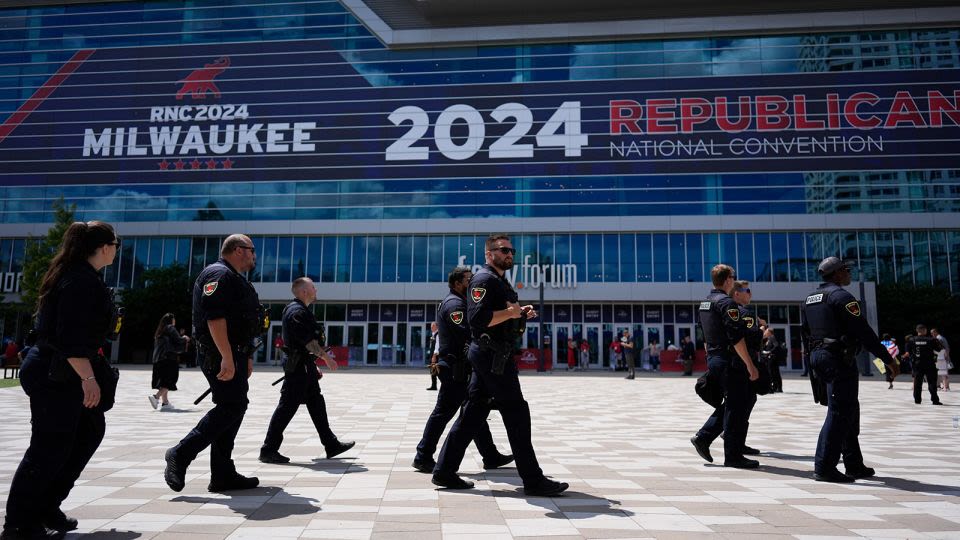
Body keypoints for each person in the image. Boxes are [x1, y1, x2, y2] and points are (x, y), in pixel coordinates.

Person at [3, 221, 121, 539]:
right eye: (116, 244)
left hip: (62, 371)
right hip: (55, 373)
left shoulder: (83, 276)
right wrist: (89, 379)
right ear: (104, 247)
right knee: (48, 447)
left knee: (89, 430)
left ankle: (46, 505)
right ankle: (18, 523)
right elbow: (70, 338)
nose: (117, 250)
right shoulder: (79, 281)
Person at [432, 234, 568, 496]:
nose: (509, 254)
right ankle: (533, 480)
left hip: (492, 355)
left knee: (473, 413)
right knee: (517, 412)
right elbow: (477, 320)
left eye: (511, 250)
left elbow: (501, 317)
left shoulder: (497, 281)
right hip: (491, 356)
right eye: (503, 250)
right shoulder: (483, 279)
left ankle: (444, 471)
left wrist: (519, 313)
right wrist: (511, 313)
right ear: (489, 254)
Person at [164, 234, 262, 494]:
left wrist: (246, 356)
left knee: (233, 406)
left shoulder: (234, 278)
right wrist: (228, 357)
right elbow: (215, 319)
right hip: (219, 354)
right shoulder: (218, 275)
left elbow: (242, 322)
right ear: (239, 250)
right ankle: (180, 453)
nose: (255, 256)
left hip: (233, 353)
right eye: (252, 250)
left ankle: (222, 474)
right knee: (232, 406)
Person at [801, 256, 895, 483]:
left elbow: (805, 332)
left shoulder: (810, 299)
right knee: (840, 411)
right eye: (846, 270)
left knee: (848, 410)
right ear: (836, 273)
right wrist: (887, 360)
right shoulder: (841, 296)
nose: (849, 274)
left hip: (820, 357)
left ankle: (853, 464)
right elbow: (864, 331)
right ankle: (824, 467)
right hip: (837, 358)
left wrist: (811, 364)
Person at [413, 266, 512, 474]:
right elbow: (469, 333)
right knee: (443, 413)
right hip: (454, 370)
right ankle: (423, 455)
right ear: (457, 283)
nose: (472, 282)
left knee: (474, 411)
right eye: (468, 279)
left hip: (462, 368)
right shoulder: (454, 305)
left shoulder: (461, 302)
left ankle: (490, 455)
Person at [259, 277, 354, 464]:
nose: (316, 290)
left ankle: (331, 444)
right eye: (313, 287)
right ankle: (268, 449)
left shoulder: (299, 310)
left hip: (303, 365)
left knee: (316, 403)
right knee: (287, 406)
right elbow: (307, 341)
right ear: (304, 291)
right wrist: (326, 358)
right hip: (298, 367)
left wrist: (312, 364)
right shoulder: (297, 312)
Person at [690, 264, 761, 470]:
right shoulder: (727, 303)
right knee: (737, 404)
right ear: (728, 280)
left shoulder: (705, 303)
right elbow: (736, 337)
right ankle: (731, 454)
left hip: (715, 358)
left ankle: (706, 438)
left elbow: (704, 335)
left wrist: (710, 360)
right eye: (733, 277)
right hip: (730, 361)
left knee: (738, 401)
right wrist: (750, 365)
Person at [150, 313, 189, 410]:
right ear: (171, 320)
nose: (175, 321)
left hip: (159, 359)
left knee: (164, 381)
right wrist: (185, 338)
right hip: (168, 359)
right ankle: (156, 397)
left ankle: (165, 403)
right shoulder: (170, 328)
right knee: (170, 380)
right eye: (174, 319)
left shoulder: (160, 331)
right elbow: (178, 340)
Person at [904, 324, 943, 405]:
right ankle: (935, 400)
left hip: (917, 364)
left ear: (917, 331)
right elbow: (939, 349)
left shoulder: (911, 340)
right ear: (925, 330)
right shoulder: (931, 340)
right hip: (929, 364)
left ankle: (917, 400)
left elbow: (908, 352)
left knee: (917, 383)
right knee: (932, 382)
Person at [762, 328, 783, 393]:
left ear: (769, 332)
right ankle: (777, 387)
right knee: (775, 372)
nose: (765, 332)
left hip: (772, 358)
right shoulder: (769, 338)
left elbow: (776, 346)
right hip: (771, 358)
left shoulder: (772, 337)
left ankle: (775, 387)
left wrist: (769, 352)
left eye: (766, 331)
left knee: (772, 372)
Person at [426, 322, 439, 390]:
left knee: (437, 371)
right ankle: (433, 385)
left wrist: (434, 356)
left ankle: (435, 385)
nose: (431, 327)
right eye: (431, 326)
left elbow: (437, 346)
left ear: (436, 327)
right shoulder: (433, 334)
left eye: (433, 326)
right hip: (432, 355)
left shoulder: (438, 335)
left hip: (436, 356)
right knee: (432, 371)